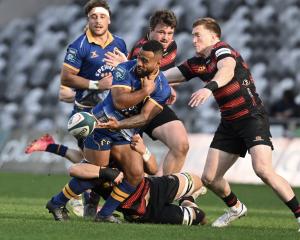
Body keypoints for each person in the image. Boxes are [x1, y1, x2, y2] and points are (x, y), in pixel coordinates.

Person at [163, 17, 300, 229]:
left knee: (263, 169)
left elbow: (226, 70)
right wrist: (138, 74)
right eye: (192, 35)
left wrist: (209, 88)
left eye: (197, 34)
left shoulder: (222, 50)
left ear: (214, 37)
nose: (193, 39)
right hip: (229, 122)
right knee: (210, 178)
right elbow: (168, 76)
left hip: (251, 117)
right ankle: (236, 207)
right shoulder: (197, 63)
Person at [47, 40, 171, 223]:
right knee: (100, 174)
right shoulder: (123, 69)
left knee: (136, 174)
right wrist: (145, 91)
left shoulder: (162, 88)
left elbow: (145, 117)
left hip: (124, 132)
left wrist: (120, 125)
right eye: (138, 58)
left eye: (145, 61)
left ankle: (104, 214)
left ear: (158, 64)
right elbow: (120, 101)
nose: (139, 63)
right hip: (101, 127)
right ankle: (57, 202)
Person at [25, 0, 128, 217]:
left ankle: (84, 203)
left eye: (102, 16)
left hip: (112, 113)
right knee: (97, 165)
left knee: (95, 162)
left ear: (109, 19)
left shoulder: (120, 43)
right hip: (87, 115)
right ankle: (83, 206)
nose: (98, 20)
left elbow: (124, 75)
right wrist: (96, 85)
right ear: (88, 19)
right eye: (93, 16)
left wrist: (126, 63)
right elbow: (66, 78)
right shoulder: (78, 46)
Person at [46, 134, 207, 226]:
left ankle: (188, 195)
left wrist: (144, 151)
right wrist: (106, 172)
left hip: (155, 188)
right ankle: (188, 199)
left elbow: (152, 168)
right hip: (145, 214)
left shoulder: (121, 150)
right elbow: (74, 170)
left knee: (197, 181)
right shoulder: (93, 167)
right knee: (199, 217)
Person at [104, 10, 189, 175]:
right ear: (150, 32)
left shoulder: (171, 47)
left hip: (153, 104)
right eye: (161, 32)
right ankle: (92, 190)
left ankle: (162, 193)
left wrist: (168, 85)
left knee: (181, 145)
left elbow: (158, 77)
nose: (165, 37)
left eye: (170, 33)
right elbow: (144, 83)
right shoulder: (140, 50)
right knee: (131, 172)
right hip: (130, 108)